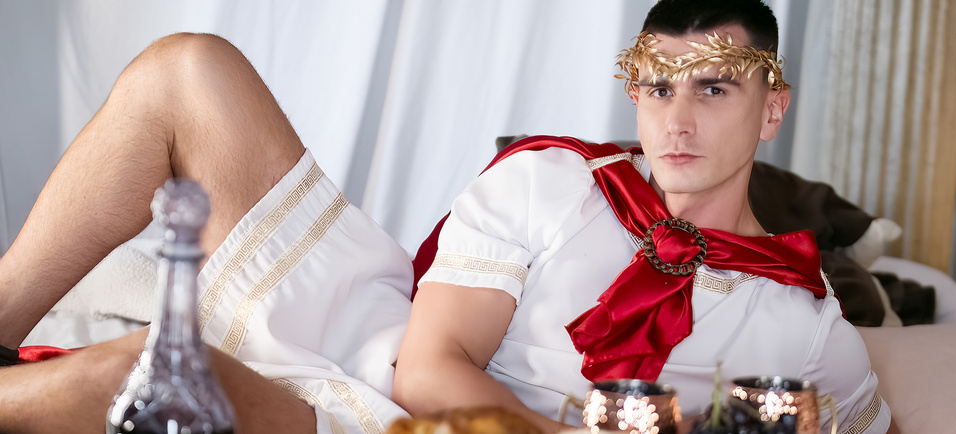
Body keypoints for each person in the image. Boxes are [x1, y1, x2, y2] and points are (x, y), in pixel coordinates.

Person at [392, 1, 891, 433]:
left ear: (771, 112)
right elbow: (424, 374)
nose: (677, 124)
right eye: (660, 90)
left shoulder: (807, 328)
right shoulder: (542, 185)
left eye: (713, 90)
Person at [0, 33, 413, 433]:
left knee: (146, 389)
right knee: (184, 75)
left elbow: (433, 386)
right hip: (382, 325)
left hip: (398, 415)